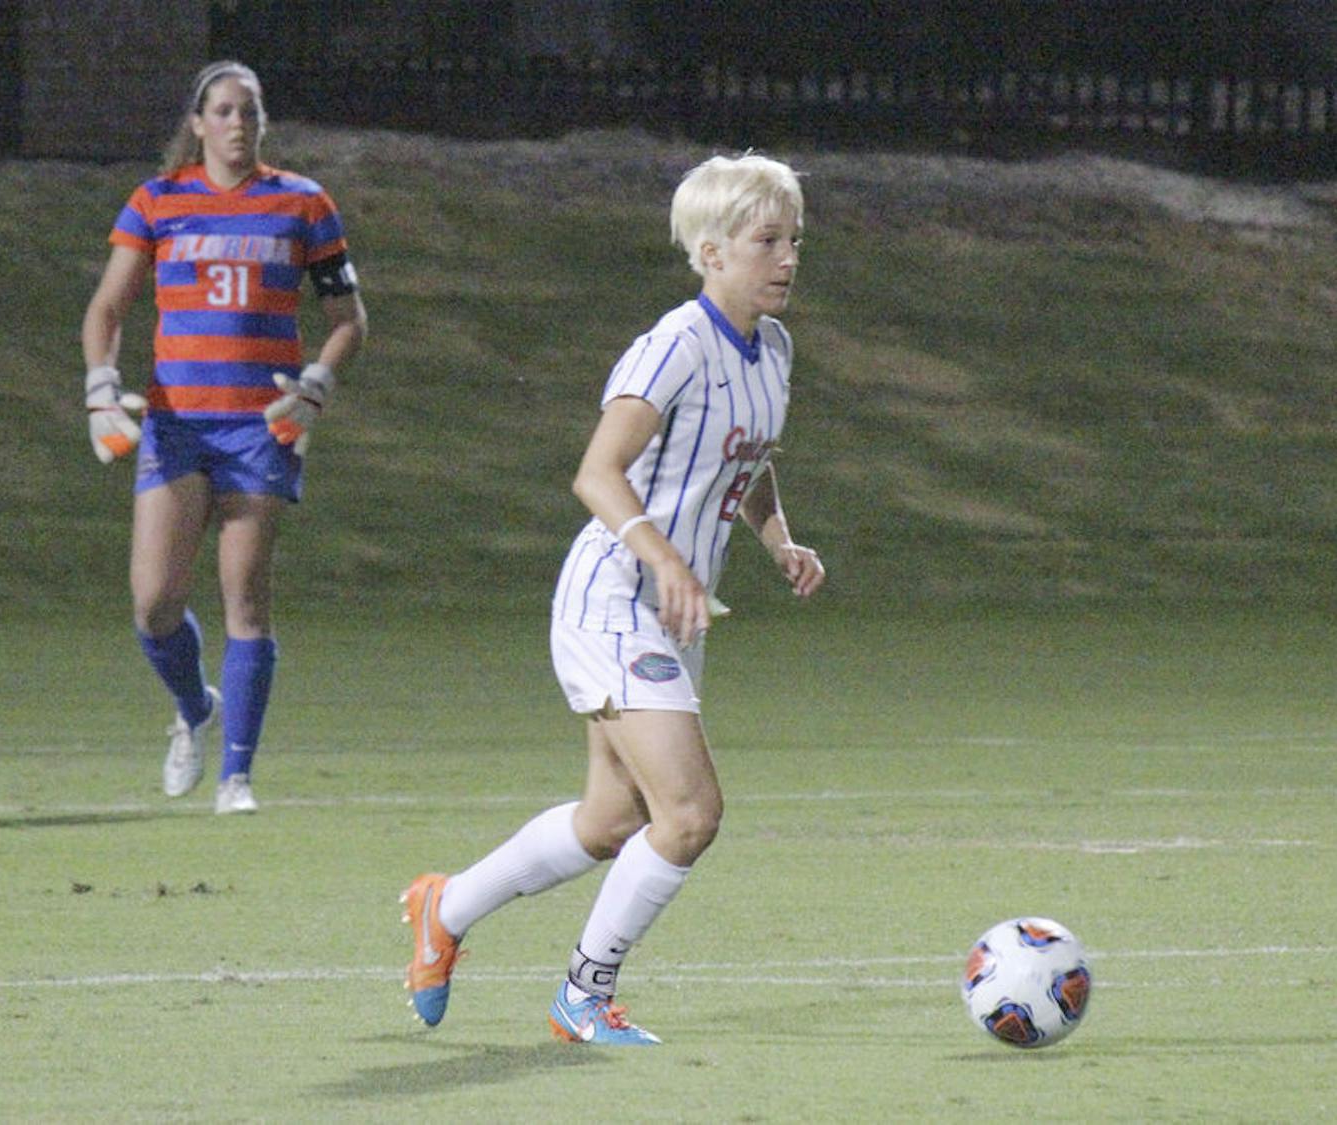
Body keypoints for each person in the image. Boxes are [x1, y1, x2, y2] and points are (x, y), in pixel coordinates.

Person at [402, 152, 824, 1044]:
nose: (786, 258)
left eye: (793, 239)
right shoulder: (676, 344)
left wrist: (778, 537)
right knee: (691, 813)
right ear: (711, 252)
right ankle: (582, 994)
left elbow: (743, 462)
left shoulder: (773, 348)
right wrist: (664, 559)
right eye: (766, 241)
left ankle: (445, 907)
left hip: (673, 606)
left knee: (610, 821)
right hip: (614, 600)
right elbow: (597, 473)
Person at [80, 60, 366, 814]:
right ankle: (196, 709)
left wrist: (317, 385)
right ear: (198, 121)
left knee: (246, 597)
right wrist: (100, 384)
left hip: (257, 428)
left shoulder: (302, 203)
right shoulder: (158, 200)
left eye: (250, 111)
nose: (237, 123)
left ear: (261, 122)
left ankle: (237, 776)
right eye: (223, 111)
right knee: (153, 603)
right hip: (177, 425)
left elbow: (349, 321)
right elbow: (108, 307)